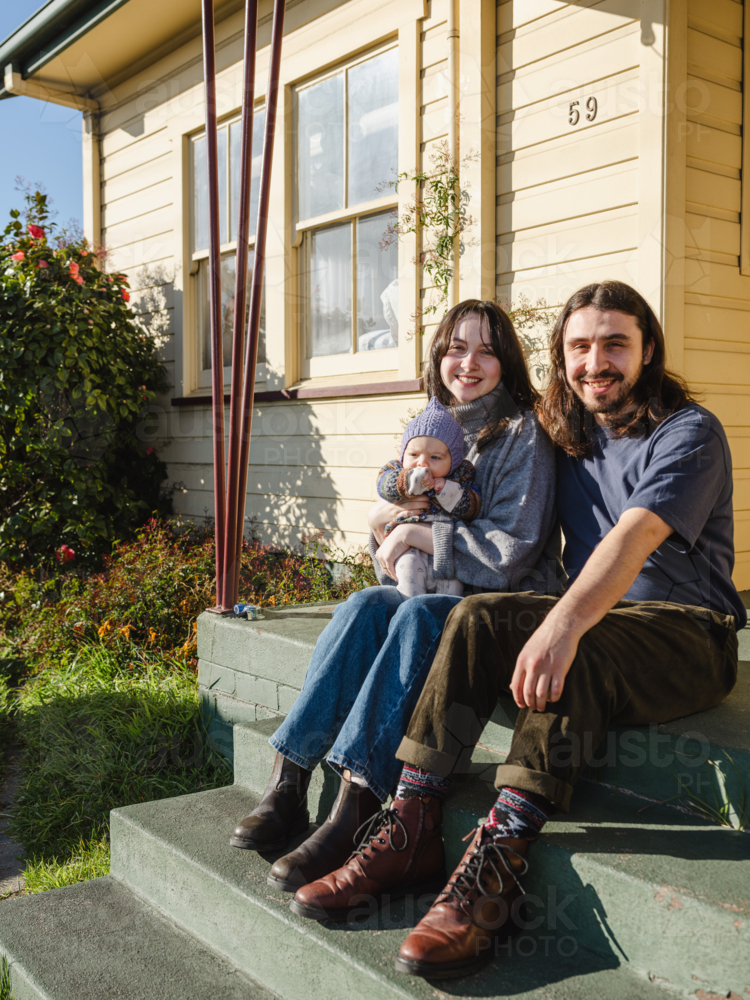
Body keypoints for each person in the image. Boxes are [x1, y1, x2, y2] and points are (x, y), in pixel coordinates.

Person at [289, 280, 744, 981]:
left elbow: (634, 538)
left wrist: (561, 623)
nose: (597, 362)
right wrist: (396, 512)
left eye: (615, 344)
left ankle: (499, 854)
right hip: (600, 618)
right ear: (561, 361)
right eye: (579, 347)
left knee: (580, 645)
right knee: (473, 618)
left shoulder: (688, 431)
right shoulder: (564, 437)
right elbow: (464, 481)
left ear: (648, 349)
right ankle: (410, 820)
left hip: (689, 631)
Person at [230, 299, 562, 897]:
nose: (469, 362)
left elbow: (512, 550)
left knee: (413, 613)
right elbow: (390, 533)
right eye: (457, 347)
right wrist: (390, 521)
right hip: (440, 585)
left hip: (504, 601)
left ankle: (354, 807)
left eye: (486, 350)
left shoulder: (523, 434)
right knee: (362, 605)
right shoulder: (431, 425)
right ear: (439, 356)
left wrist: (417, 531)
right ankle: (289, 781)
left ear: (506, 362)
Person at [376, 396, 481, 597]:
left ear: (453, 461)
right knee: (408, 576)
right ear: (403, 453)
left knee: (452, 589)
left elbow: (473, 506)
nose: (422, 463)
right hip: (408, 550)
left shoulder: (461, 475)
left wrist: (449, 491)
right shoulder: (395, 470)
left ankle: (445, 619)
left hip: (443, 549)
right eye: (414, 455)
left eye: (435, 457)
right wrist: (410, 480)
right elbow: (385, 485)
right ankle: (410, 611)